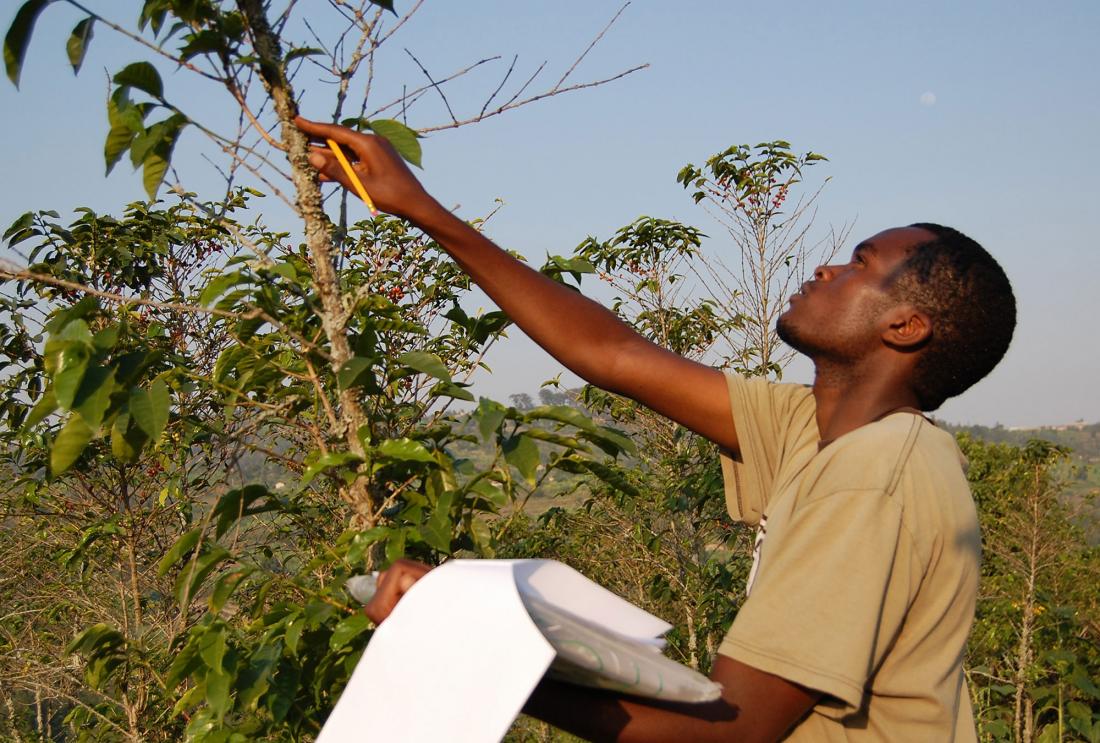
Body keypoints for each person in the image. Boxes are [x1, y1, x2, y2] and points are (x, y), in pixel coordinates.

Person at [294, 116, 1016, 742]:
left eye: (862, 263)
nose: (828, 266)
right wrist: (419, 208)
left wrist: (475, 649)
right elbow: (614, 354)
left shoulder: (875, 474)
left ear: (906, 324)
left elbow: (733, 729)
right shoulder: (814, 427)